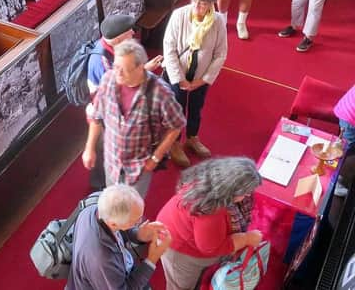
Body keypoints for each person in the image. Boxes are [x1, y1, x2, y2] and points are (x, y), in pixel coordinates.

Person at [83, 39, 185, 197]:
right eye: (116, 66)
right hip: (111, 161)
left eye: (123, 69)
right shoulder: (108, 80)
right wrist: (89, 148)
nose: (117, 73)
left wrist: (156, 158)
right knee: (112, 199)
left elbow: (176, 125)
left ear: (140, 67)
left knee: (132, 209)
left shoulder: (161, 94)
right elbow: (97, 116)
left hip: (139, 167)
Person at [157, 157, 263, 290]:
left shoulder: (212, 178)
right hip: (179, 249)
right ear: (231, 191)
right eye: (246, 193)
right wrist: (246, 238)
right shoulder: (211, 212)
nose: (248, 196)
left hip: (178, 230)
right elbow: (210, 248)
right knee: (180, 287)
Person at [87, 14, 163, 189]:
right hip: (104, 115)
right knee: (104, 152)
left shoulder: (114, 50)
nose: (133, 34)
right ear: (119, 39)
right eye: (130, 33)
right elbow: (118, 90)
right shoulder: (101, 61)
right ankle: (101, 188)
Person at [162, 0, 228, 167]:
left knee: (196, 108)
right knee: (177, 108)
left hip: (201, 75)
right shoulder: (179, 15)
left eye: (203, 3)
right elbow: (169, 49)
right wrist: (180, 80)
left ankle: (192, 137)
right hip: (178, 73)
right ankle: (174, 142)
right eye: (194, 1)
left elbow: (220, 54)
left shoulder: (218, 21)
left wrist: (203, 80)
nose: (197, 6)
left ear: (211, 4)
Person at [66, 184, 172, 290]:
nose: (140, 222)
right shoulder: (102, 260)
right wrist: (152, 259)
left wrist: (138, 234)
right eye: (135, 221)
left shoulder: (98, 201)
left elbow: (118, 229)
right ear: (113, 224)